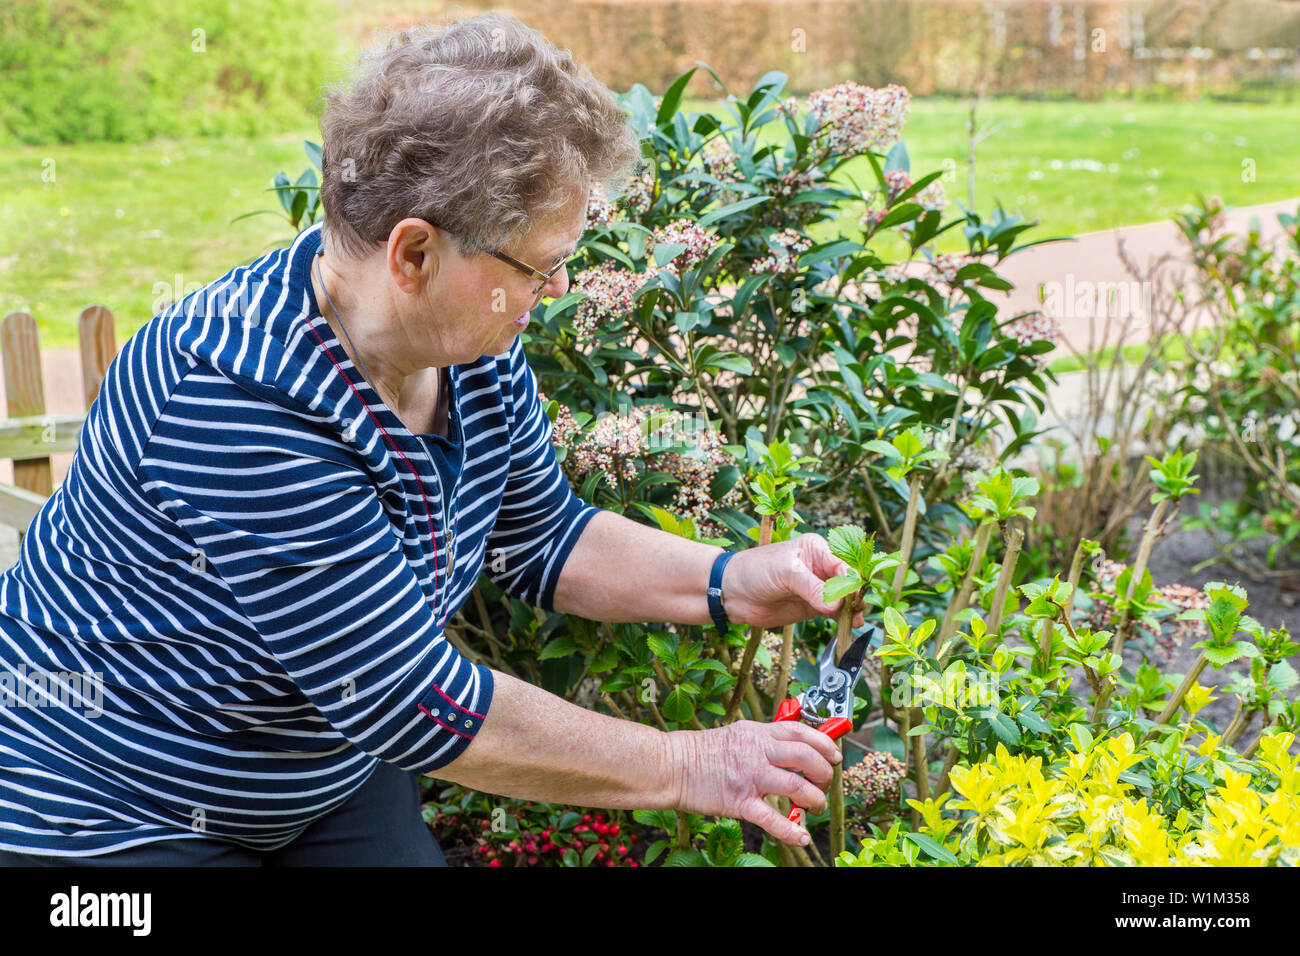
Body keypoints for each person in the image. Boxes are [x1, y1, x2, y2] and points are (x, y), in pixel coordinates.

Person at [0, 11, 858, 866]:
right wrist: (690, 762)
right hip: (108, 806)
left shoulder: (465, 343)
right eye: (537, 267)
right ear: (414, 254)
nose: (554, 290)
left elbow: (542, 536)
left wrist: (730, 581)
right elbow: (413, 700)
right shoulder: (228, 395)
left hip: (321, 766)